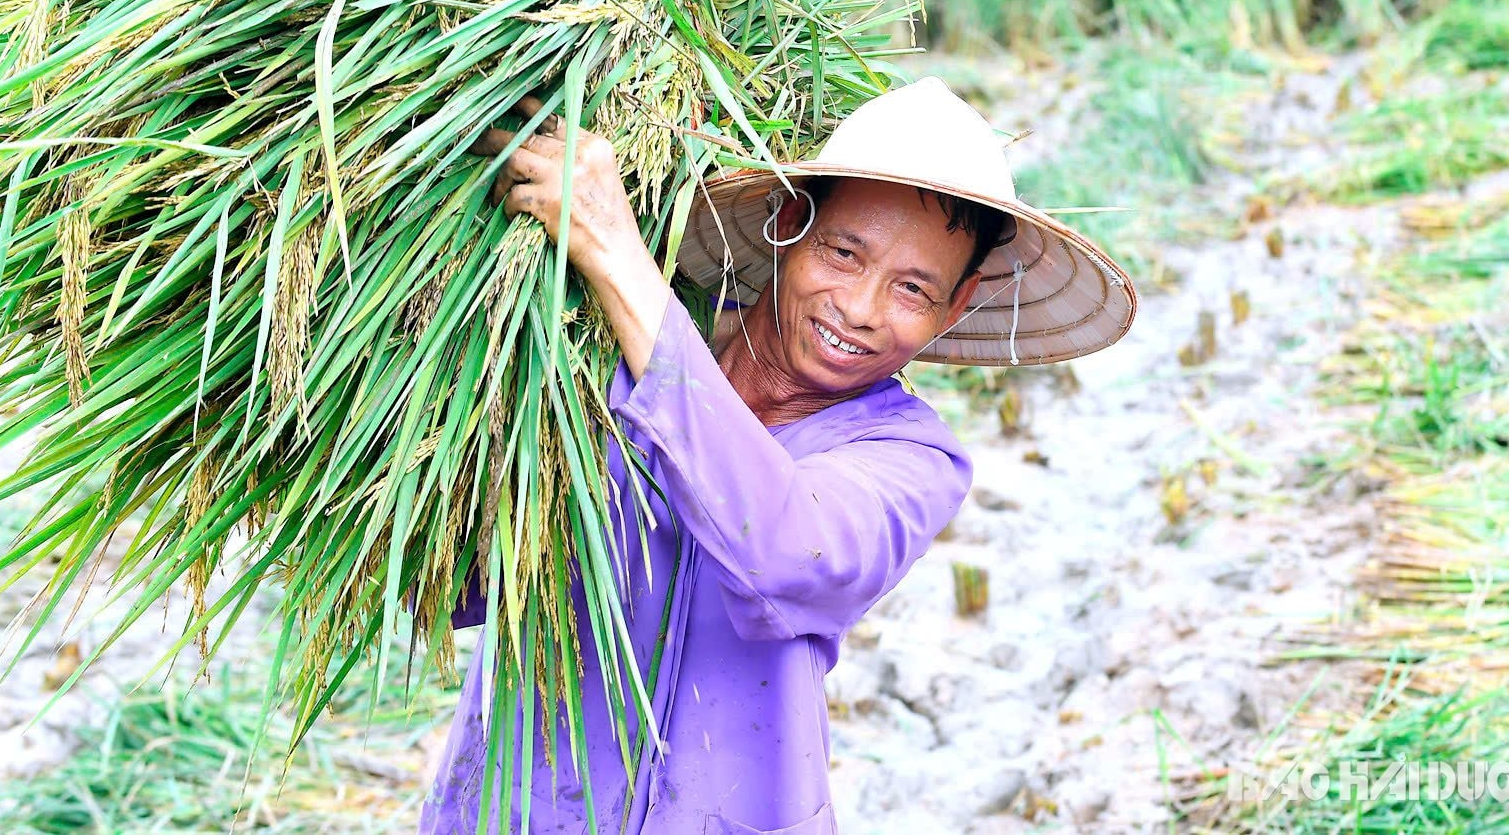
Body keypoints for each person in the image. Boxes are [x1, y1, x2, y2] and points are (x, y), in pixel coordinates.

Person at [426, 76, 1137, 834]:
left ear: (955, 308)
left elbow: (788, 552)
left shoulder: (911, 459)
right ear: (792, 223)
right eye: (843, 252)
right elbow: (452, 582)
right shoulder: (596, 350)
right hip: (515, 810)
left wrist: (613, 254)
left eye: (912, 290)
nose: (859, 310)